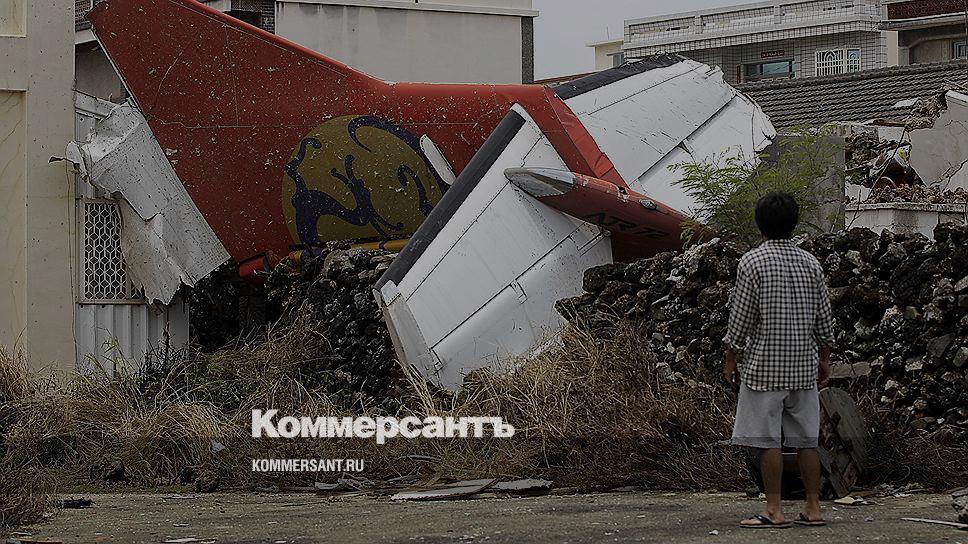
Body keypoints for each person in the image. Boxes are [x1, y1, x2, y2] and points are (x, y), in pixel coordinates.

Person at [723, 192, 835, 529]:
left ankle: (774, 509)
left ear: (760, 225)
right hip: (802, 367)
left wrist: (731, 357)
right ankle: (813, 508)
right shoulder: (811, 264)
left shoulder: (752, 263)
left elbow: (741, 318)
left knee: (767, 440)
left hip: (763, 368)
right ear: (794, 223)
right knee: (806, 440)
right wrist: (824, 359)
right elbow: (824, 320)